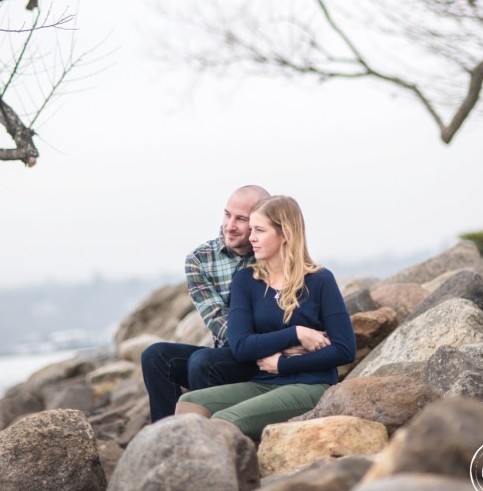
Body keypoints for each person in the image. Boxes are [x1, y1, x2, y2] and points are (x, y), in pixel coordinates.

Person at [175, 195, 356, 438]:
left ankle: (224, 475)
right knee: (190, 403)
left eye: (259, 230)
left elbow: (344, 349)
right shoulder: (247, 281)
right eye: (251, 230)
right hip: (263, 382)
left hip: (310, 385)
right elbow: (240, 345)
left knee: (224, 420)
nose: (251, 238)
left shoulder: (320, 280)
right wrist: (296, 333)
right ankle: (187, 472)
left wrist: (283, 363)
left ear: (285, 234)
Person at [141, 184, 270, 421]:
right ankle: (167, 435)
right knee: (154, 356)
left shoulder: (270, 251)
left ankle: (209, 436)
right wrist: (255, 345)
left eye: (241, 219)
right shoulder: (200, 259)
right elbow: (216, 319)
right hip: (235, 352)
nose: (230, 226)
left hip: (271, 354)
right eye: (227, 214)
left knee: (202, 363)